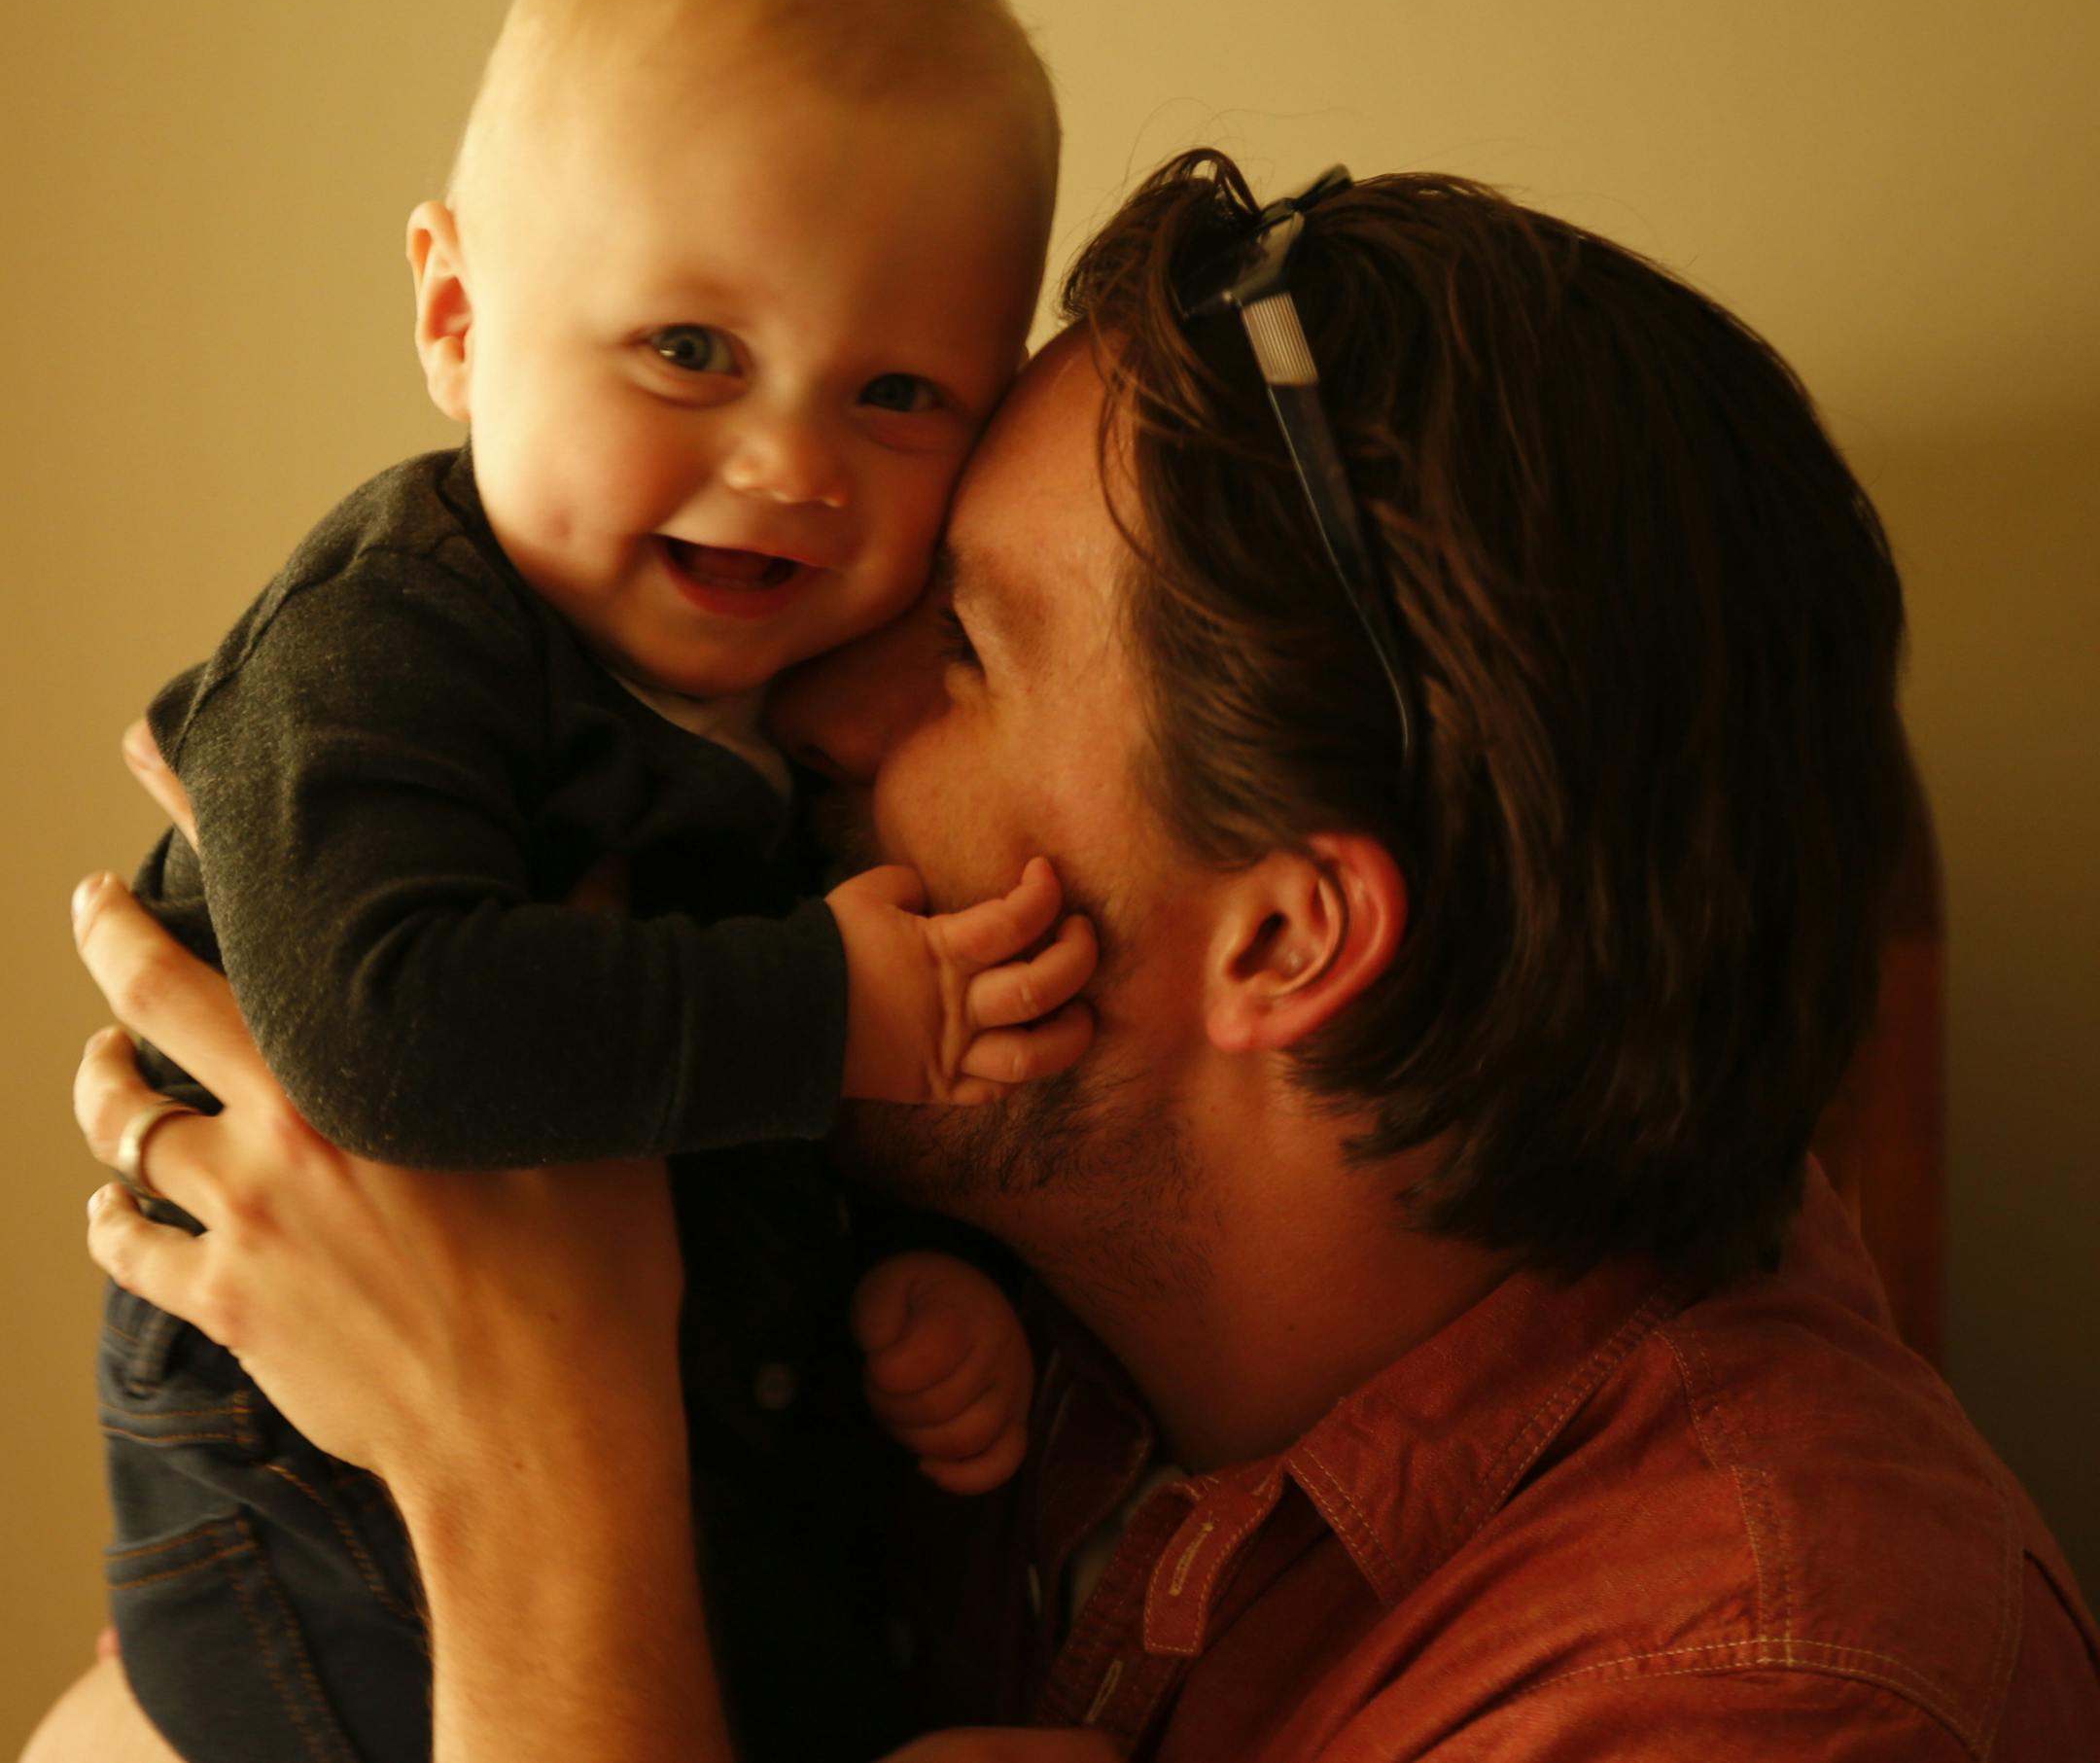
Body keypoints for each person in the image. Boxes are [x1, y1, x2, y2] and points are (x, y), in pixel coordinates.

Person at [46, 151, 2100, 1761]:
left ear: (1285, 938)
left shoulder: (1761, 1681)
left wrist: (535, 1495)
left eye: (959, 647)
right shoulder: (994, 1285)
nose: (811, 709)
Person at [92, 0, 1086, 1763]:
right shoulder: (386, 640)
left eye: (897, 391)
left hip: (663, 1472)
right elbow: (384, 1035)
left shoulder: (799, 707)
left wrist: (918, 1282)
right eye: (691, 351)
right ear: (460, 315)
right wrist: (826, 1010)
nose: (789, 463)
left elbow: (722, 1134)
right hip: (320, 1521)